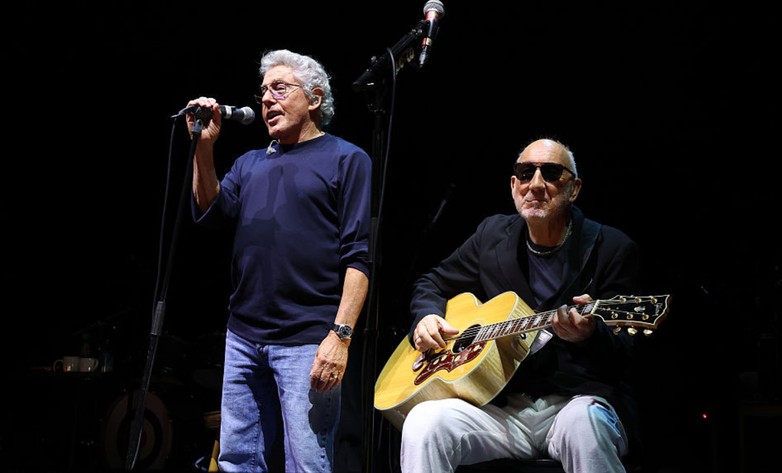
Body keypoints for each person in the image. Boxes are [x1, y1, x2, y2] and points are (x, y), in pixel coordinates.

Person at [401, 139, 642, 473]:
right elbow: (433, 283)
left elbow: (630, 355)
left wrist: (590, 337)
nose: (537, 184)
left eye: (552, 173)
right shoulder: (492, 235)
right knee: (424, 421)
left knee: (586, 425)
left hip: (572, 403)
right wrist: (426, 316)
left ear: (573, 188)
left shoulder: (611, 248)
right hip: (499, 407)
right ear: (514, 185)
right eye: (526, 173)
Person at [187, 49, 371, 472]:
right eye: (263, 91)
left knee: (307, 462)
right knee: (236, 461)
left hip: (308, 341)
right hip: (243, 337)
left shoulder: (347, 159)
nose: (267, 99)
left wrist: (340, 337)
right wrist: (204, 147)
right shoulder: (250, 163)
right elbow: (211, 212)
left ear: (315, 98)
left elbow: (359, 257)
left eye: (280, 88)